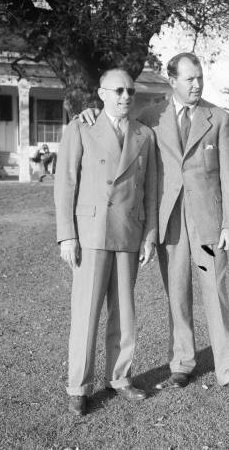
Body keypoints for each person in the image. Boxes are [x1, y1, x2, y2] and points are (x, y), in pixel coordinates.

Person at [80, 53, 229, 397]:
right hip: (169, 221)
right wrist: (91, 113)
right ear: (171, 80)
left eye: (200, 77)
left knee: (215, 293)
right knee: (177, 295)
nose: (197, 84)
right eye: (189, 79)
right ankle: (181, 365)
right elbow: (118, 124)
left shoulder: (219, 117)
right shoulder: (150, 115)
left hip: (208, 224)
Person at [55, 68, 158, 416]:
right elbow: (65, 184)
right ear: (101, 94)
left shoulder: (145, 134)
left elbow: (151, 191)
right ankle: (78, 387)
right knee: (85, 313)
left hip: (129, 231)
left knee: (124, 313)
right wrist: (67, 234)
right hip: (91, 233)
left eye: (130, 90)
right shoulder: (81, 127)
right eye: (118, 90)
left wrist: (150, 234)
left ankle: (120, 378)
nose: (125, 96)